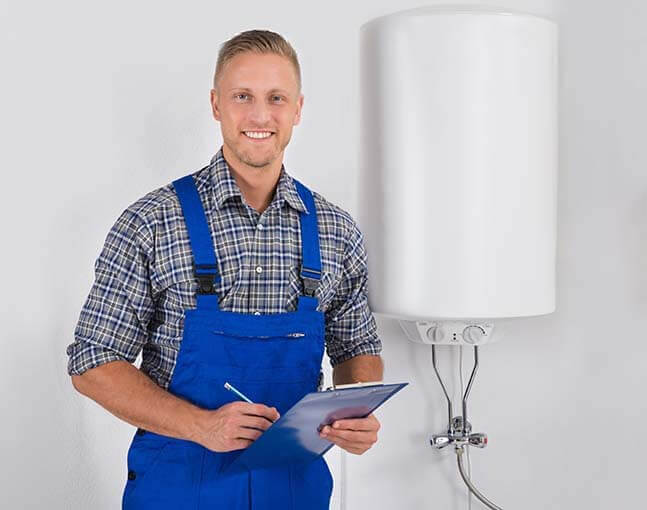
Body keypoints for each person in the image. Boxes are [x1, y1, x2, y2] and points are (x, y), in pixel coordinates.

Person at [66, 29, 384, 509]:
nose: (260, 115)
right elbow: (92, 362)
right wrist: (202, 426)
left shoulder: (336, 232)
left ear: (298, 109)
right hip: (178, 488)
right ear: (216, 104)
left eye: (276, 98)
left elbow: (356, 348)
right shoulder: (152, 222)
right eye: (242, 96)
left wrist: (356, 411)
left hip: (293, 491)